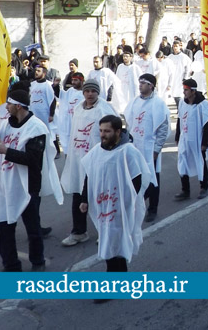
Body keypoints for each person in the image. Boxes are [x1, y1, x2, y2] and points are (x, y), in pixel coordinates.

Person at [0, 89, 62, 272]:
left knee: (33, 228)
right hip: (6, 183)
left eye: (9, 104)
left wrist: (7, 151)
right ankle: (11, 265)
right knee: (4, 227)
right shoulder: (5, 124)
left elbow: (33, 160)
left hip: (27, 185)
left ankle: (38, 261)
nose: (7, 107)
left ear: (18, 106)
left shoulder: (36, 127)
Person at [79, 115, 150, 282]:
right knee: (109, 239)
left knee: (115, 241)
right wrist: (84, 199)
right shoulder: (97, 150)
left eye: (107, 131)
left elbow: (137, 181)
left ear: (118, 132)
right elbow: (89, 176)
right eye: (101, 131)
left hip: (120, 208)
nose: (103, 135)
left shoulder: (128, 152)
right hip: (102, 206)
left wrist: (126, 205)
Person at [60, 79, 117, 246]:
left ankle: (105, 231)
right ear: (83, 92)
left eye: (93, 91)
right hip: (79, 159)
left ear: (97, 92)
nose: (90, 94)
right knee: (79, 194)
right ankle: (79, 231)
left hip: (99, 160)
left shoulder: (104, 109)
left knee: (101, 196)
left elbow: (114, 134)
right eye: (87, 91)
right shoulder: (78, 108)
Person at [124, 74, 170, 223]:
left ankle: (152, 209)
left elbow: (163, 128)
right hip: (136, 145)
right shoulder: (134, 102)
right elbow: (129, 123)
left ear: (151, 86)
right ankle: (138, 204)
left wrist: (156, 150)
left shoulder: (158, 104)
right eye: (140, 82)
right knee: (136, 176)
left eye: (143, 83)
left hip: (150, 148)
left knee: (152, 177)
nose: (140, 85)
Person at [174, 79, 208, 200]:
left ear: (193, 91)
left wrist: (204, 143)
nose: (184, 92)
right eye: (183, 89)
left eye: (186, 90)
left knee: (200, 161)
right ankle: (185, 190)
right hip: (184, 137)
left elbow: (206, 124)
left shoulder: (202, 104)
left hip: (197, 138)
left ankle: (203, 187)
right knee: (183, 161)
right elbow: (180, 119)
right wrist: (177, 136)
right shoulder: (182, 103)